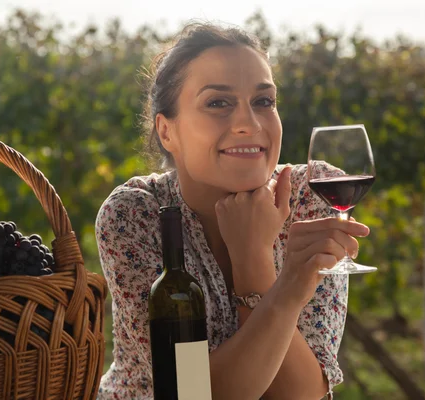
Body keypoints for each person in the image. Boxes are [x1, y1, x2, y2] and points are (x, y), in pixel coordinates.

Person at [95, 22, 370, 400]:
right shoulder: (137, 216)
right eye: (218, 103)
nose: (249, 123)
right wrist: (265, 269)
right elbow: (192, 393)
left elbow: (303, 393)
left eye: (264, 101)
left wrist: (254, 263)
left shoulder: (312, 198)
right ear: (167, 131)